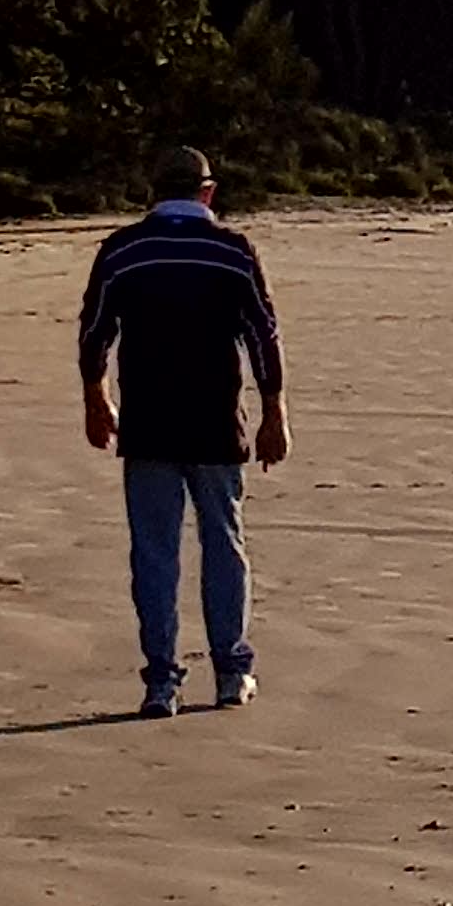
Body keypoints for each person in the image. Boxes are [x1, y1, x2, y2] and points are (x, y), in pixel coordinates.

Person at [76, 145, 287, 718]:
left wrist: (96, 398)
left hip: (149, 420)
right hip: (215, 419)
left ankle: (161, 680)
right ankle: (231, 670)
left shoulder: (123, 250)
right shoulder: (232, 250)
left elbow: (95, 331)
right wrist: (274, 411)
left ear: (154, 191)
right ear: (207, 192)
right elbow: (262, 334)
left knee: (154, 551)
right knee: (224, 542)